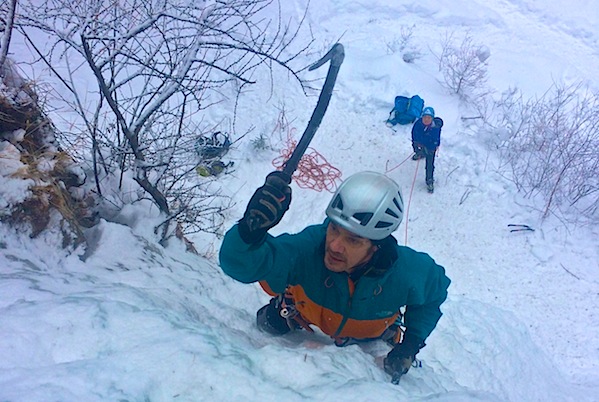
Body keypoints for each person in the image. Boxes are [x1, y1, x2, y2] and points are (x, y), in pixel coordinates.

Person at [219, 171, 450, 384]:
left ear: (376, 247)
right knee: (266, 324)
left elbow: (433, 295)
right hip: (302, 314)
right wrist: (249, 234)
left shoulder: (408, 271)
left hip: (372, 336)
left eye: (353, 240)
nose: (335, 246)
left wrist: (410, 344)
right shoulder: (310, 247)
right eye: (334, 230)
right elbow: (245, 265)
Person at [411, 106, 443, 193]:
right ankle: (420, 154)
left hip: (430, 148)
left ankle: (429, 180)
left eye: (429, 118)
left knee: (429, 164)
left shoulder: (435, 128)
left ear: (432, 119)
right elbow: (414, 136)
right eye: (425, 117)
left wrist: (431, 149)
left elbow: (436, 140)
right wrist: (416, 148)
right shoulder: (418, 124)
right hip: (421, 144)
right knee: (420, 151)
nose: (426, 119)